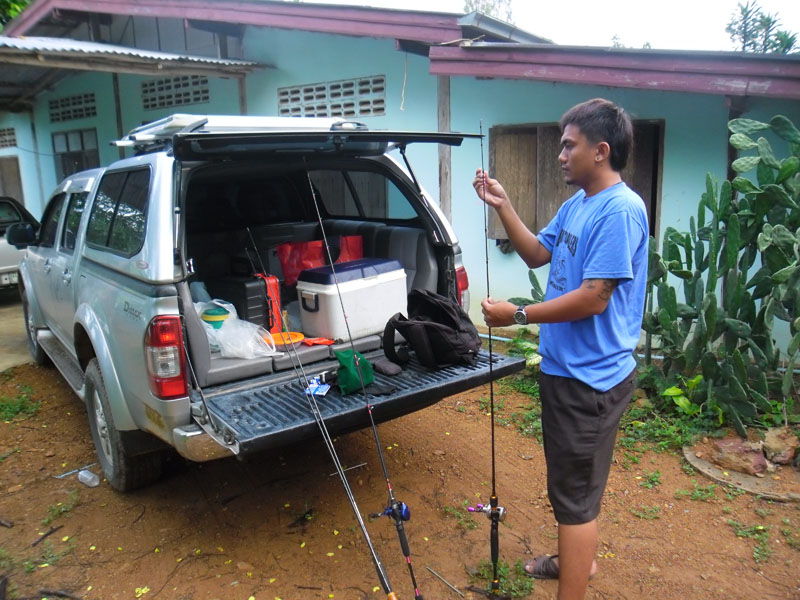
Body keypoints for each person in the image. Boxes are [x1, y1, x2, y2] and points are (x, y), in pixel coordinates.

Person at [472, 98, 648, 599]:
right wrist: (504, 204)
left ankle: (575, 580)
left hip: (591, 380)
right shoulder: (579, 205)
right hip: (566, 370)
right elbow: (538, 252)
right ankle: (576, 562)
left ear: (601, 150)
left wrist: (519, 315)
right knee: (570, 488)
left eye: (569, 145)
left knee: (575, 498)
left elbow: (595, 298)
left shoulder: (620, 210)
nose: (560, 155)